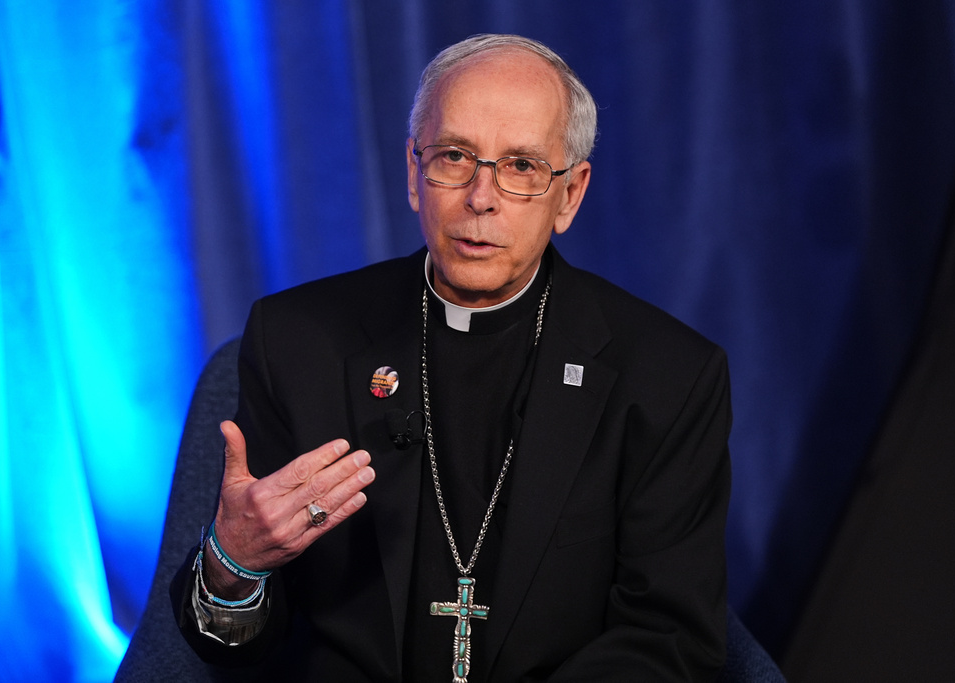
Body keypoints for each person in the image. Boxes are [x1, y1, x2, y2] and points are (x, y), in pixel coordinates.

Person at [171, 33, 732, 682]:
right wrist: (232, 565)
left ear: (570, 195)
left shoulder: (666, 377)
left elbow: (668, 640)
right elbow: (240, 645)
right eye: (454, 156)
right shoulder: (298, 342)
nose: (480, 197)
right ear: (414, 175)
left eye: (521, 166)